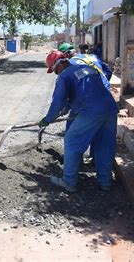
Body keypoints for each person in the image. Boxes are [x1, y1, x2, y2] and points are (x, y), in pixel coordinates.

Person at [39, 52, 118, 192]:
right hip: (110, 108)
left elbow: (58, 101)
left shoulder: (64, 76)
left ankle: (69, 181)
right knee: (104, 144)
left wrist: (48, 119)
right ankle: (105, 182)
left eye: (55, 71)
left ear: (59, 65)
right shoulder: (88, 68)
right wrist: (66, 108)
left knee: (71, 140)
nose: (56, 74)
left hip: (91, 111)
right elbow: (85, 91)